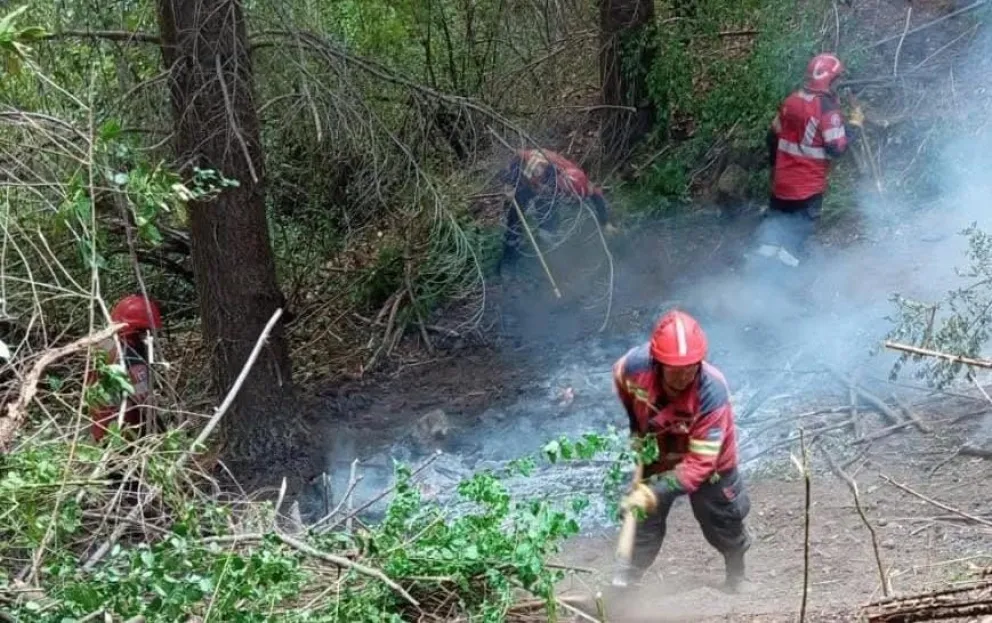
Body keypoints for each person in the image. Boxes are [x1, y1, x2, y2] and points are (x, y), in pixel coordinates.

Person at [610, 309, 751, 592]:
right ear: (657, 362)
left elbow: (699, 465)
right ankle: (627, 583)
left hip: (710, 465)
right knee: (643, 517)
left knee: (723, 518)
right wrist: (637, 428)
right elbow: (621, 381)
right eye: (675, 368)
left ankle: (737, 575)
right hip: (661, 450)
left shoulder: (712, 393)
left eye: (691, 367)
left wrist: (653, 491)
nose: (684, 375)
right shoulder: (633, 368)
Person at [760, 52, 864, 265]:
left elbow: (772, 134)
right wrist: (854, 124)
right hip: (807, 188)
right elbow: (837, 148)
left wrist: (776, 167)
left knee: (773, 233)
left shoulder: (792, 100)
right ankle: (786, 284)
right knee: (794, 243)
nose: (839, 84)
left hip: (782, 184)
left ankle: (758, 273)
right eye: (837, 80)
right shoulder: (827, 110)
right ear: (829, 80)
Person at [498, 148, 618, 266]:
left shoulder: (579, 179)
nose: (570, 200)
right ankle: (511, 253)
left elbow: (596, 194)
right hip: (526, 180)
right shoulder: (537, 165)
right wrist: (510, 183)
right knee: (517, 210)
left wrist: (605, 223)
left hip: (547, 188)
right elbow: (519, 157)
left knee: (549, 219)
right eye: (568, 195)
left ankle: (544, 250)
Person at [89, 294, 162, 443]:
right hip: (126, 435)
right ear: (139, 331)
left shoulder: (102, 345)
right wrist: (162, 434)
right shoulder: (130, 358)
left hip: (101, 430)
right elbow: (146, 404)